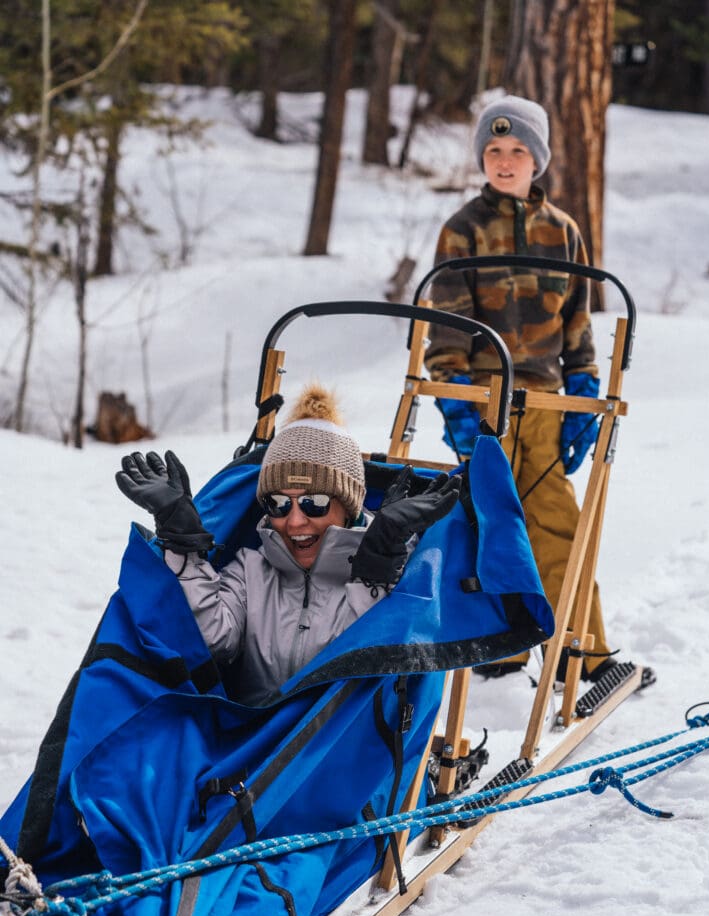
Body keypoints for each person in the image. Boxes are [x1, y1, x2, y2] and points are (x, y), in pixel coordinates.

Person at [425, 94, 625, 684]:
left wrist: (584, 392)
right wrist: (458, 405)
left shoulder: (562, 233)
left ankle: (579, 650)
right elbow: (447, 332)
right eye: (493, 150)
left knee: (558, 523)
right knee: (491, 524)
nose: (505, 162)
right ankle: (499, 649)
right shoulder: (461, 231)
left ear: (537, 160)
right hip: (487, 403)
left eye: (517, 151)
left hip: (544, 403)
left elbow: (577, 325)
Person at [115, 384, 460, 706]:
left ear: (350, 507)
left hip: (345, 756)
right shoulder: (252, 570)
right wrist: (183, 544)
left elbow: (379, 665)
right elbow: (208, 642)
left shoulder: (393, 568)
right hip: (255, 752)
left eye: (315, 502)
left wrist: (377, 569)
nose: (294, 521)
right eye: (279, 503)